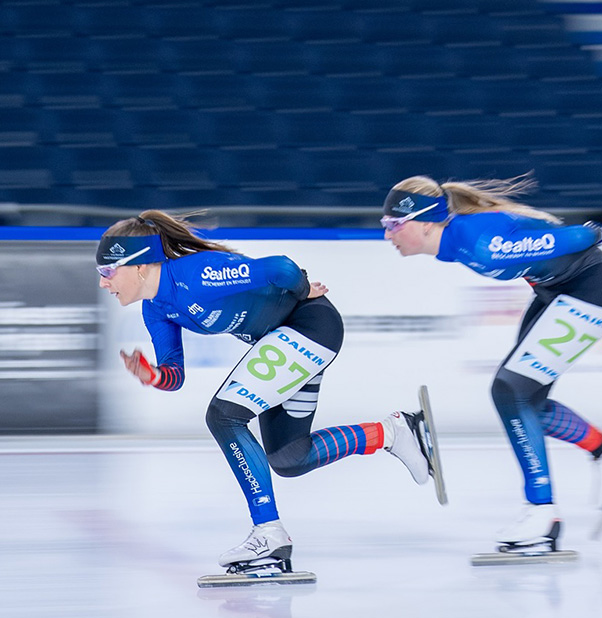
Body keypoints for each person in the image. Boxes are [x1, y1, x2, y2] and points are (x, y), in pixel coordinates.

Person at [97, 210, 437, 573]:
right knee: (290, 457)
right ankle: (394, 432)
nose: (103, 283)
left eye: (107, 272)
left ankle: (269, 533)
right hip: (285, 340)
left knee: (224, 415)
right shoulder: (156, 309)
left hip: (310, 325)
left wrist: (305, 290)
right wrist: (152, 375)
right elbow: (174, 375)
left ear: (140, 266)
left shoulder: (196, 275)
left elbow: (282, 268)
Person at [381, 174, 602, 554]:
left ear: (423, 222)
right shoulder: (457, 240)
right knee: (525, 399)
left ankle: (542, 513)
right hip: (557, 291)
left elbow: (575, 236)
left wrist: (598, 233)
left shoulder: (480, 245)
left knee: (510, 390)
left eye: (393, 224)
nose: (388, 235)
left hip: (590, 290)